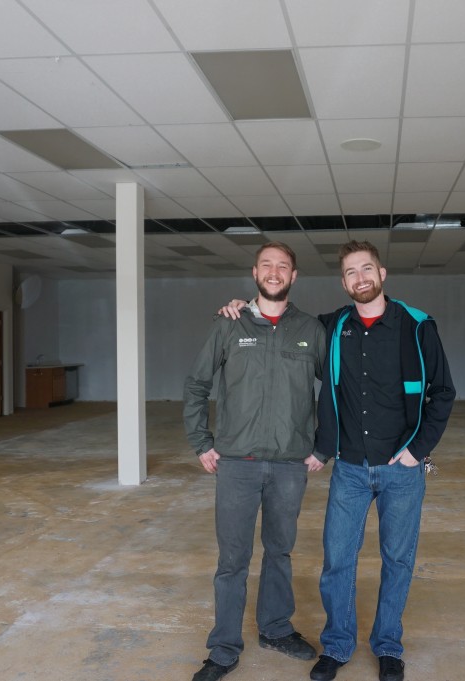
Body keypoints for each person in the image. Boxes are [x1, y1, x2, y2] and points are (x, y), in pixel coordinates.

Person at [220, 240, 455, 681]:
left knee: (397, 561)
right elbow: (284, 322)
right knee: (338, 561)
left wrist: (417, 452)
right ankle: (338, 645)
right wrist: (244, 306)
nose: (360, 278)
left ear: (382, 275)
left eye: (367, 269)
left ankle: (387, 647)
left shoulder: (418, 327)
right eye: (350, 272)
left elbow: (442, 393)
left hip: (401, 470)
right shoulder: (332, 328)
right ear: (343, 282)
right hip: (348, 467)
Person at [184, 242, 327, 681]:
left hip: (289, 465)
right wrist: (201, 441)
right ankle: (224, 648)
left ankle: (276, 628)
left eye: (283, 265)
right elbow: (196, 385)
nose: (274, 271)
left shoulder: (310, 329)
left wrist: (323, 446)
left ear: (294, 276)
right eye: (267, 264)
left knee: (280, 551)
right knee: (232, 559)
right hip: (237, 465)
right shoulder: (229, 324)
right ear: (255, 272)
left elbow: (339, 393)